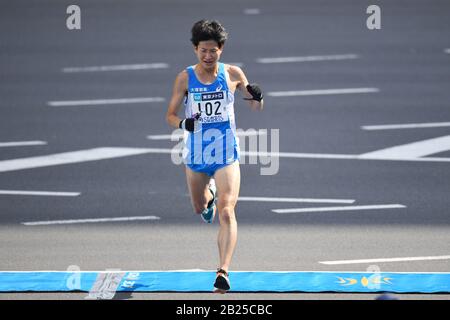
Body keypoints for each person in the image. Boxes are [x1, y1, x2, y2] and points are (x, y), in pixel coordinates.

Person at [166, 19, 264, 293]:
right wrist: (183, 124)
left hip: (225, 153)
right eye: (203, 51)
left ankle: (223, 271)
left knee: (227, 211)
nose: (208, 56)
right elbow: (170, 116)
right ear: (195, 50)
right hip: (197, 153)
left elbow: (255, 105)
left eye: (213, 51)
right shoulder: (185, 77)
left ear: (221, 49)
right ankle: (207, 194)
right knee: (200, 208)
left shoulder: (232, 73)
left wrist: (257, 95)